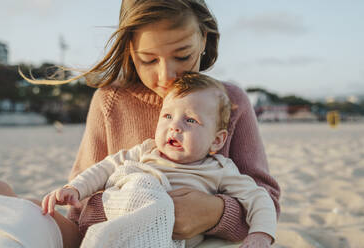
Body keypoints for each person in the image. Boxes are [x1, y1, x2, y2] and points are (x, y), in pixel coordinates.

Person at [15, 0, 280, 246]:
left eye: (182, 55)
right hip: (115, 233)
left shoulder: (229, 101)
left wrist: (215, 213)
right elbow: (78, 205)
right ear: (130, 50)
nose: (167, 75)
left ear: (204, 39)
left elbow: (265, 197)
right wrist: (137, 205)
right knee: (22, 212)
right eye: (149, 60)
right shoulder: (109, 101)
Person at [42, 72, 277, 248]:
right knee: (137, 183)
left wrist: (261, 234)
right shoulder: (146, 151)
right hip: (123, 224)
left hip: (168, 240)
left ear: (217, 141)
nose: (174, 126)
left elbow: (258, 197)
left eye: (191, 121)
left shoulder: (219, 169)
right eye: (167, 116)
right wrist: (75, 188)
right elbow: (105, 168)